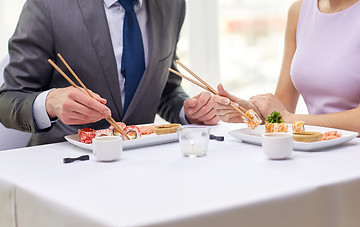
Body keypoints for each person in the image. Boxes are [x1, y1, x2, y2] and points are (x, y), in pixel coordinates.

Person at [0, 0, 219, 146]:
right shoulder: (48, 5)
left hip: (144, 164)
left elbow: (165, 88)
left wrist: (187, 111)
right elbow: (7, 100)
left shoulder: (172, 5)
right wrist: (50, 103)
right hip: (64, 166)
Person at [213, 0, 360, 134]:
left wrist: (290, 119)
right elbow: (284, 106)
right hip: (316, 144)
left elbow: (286, 116)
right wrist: (250, 111)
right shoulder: (299, 11)